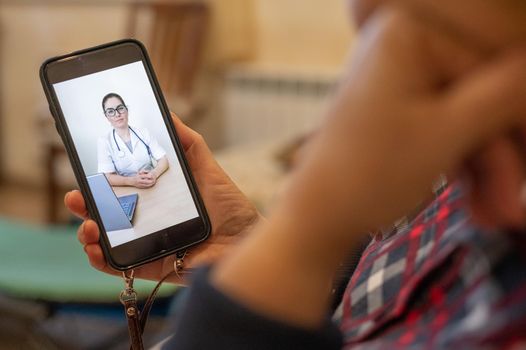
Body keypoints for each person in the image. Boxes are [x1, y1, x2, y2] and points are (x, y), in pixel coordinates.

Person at [66, 0, 526, 348]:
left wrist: (302, 236)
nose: (362, 17)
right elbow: (375, 282)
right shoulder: (450, 167)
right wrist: (259, 251)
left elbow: (159, 161)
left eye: (407, 20)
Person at [98, 92, 169, 189]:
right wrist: (131, 181)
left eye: (120, 108)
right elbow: (107, 176)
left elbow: (163, 159)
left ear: (126, 110)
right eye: (111, 111)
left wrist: (154, 174)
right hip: (127, 189)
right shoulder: (104, 142)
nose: (117, 114)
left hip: (153, 184)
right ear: (106, 117)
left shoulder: (144, 132)